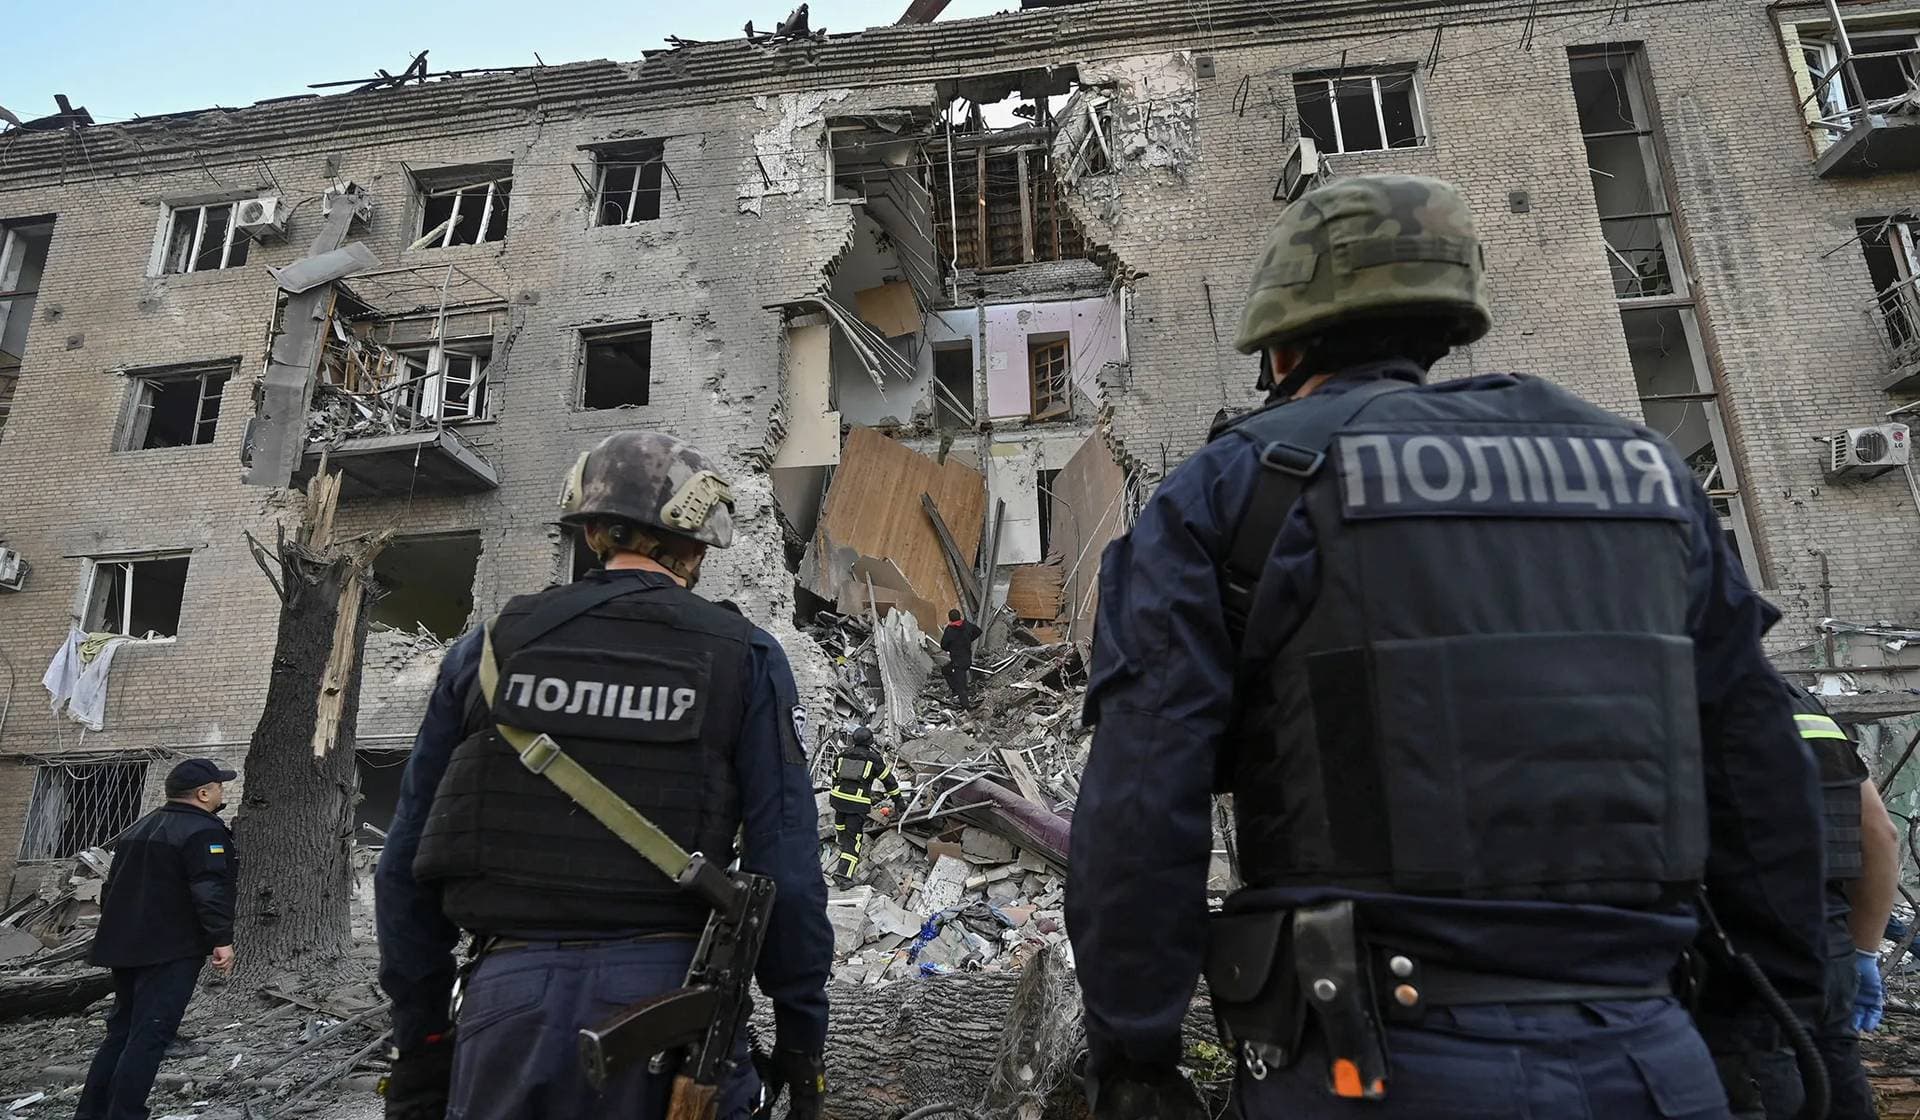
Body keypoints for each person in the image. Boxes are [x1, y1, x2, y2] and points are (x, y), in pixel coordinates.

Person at [1065, 174, 1826, 1119]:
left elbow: (1145, 796)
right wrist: (1763, 1024)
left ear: (1281, 345)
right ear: (1450, 323)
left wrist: (1135, 1058)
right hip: (1648, 1053)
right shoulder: (1646, 474)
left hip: (1369, 1066)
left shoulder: (1240, 486)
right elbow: (1761, 774)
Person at [375, 431, 832, 1120]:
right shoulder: (745, 656)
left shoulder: (486, 652)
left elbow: (403, 869)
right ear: (697, 548)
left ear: (590, 531)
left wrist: (423, 1042)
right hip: (672, 1010)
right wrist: (801, 1040)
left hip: (505, 1010)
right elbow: (787, 872)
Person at [78, 758, 237, 1120]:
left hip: (125, 946)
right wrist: (222, 939)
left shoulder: (140, 826)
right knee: (150, 1036)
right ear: (203, 793)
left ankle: (91, 1113)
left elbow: (110, 888)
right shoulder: (203, 832)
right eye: (219, 786)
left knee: (120, 1033)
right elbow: (210, 890)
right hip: (170, 949)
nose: (221, 792)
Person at [827, 724, 907, 888]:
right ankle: (843, 876)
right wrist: (899, 802)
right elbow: (889, 781)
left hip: (837, 800)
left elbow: (834, 777)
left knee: (842, 831)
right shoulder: (873, 759)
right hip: (856, 803)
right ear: (870, 742)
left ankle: (841, 850)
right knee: (854, 839)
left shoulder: (842, 755)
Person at [939, 609, 982, 707]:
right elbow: (978, 631)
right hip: (967, 659)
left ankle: (966, 708)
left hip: (958, 662)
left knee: (961, 687)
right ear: (960, 616)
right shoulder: (966, 625)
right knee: (945, 670)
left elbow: (943, 645)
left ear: (950, 619)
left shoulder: (950, 630)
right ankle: (955, 691)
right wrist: (968, 639)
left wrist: (951, 648)